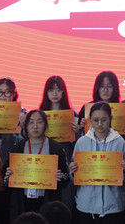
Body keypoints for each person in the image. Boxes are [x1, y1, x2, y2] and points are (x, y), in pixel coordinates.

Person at [70, 101, 125, 223]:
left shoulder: (119, 142)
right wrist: (72, 171)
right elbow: (74, 177)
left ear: (110, 119)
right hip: (86, 204)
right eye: (95, 120)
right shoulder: (82, 142)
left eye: (104, 120)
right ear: (90, 120)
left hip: (113, 204)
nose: (100, 124)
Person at [4, 110, 70, 217]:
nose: (35, 126)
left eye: (39, 122)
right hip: (22, 200)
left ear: (45, 125)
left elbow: (66, 178)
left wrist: (60, 177)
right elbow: (5, 177)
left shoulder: (55, 148)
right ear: (26, 126)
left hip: (47, 201)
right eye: (31, 122)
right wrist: (8, 175)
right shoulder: (18, 148)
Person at [0, 77, 26, 224]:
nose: (3, 96)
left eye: (7, 92)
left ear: (14, 95)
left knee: (10, 208)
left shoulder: (22, 114)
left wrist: (24, 125)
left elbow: (27, 142)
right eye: (0, 92)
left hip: (13, 169)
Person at [39, 75, 78, 213]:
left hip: (66, 156)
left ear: (63, 92)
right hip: (45, 158)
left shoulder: (72, 115)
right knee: (46, 197)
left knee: (66, 196)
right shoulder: (40, 114)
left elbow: (78, 143)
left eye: (58, 90)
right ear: (46, 92)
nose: (54, 93)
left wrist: (77, 132)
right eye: (51, 90)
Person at [78, 70, 125, 136]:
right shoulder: (87, 108)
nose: (105, 90)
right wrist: (81, 126)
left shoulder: (122, 109)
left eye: (109, 86)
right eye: (102, 86)